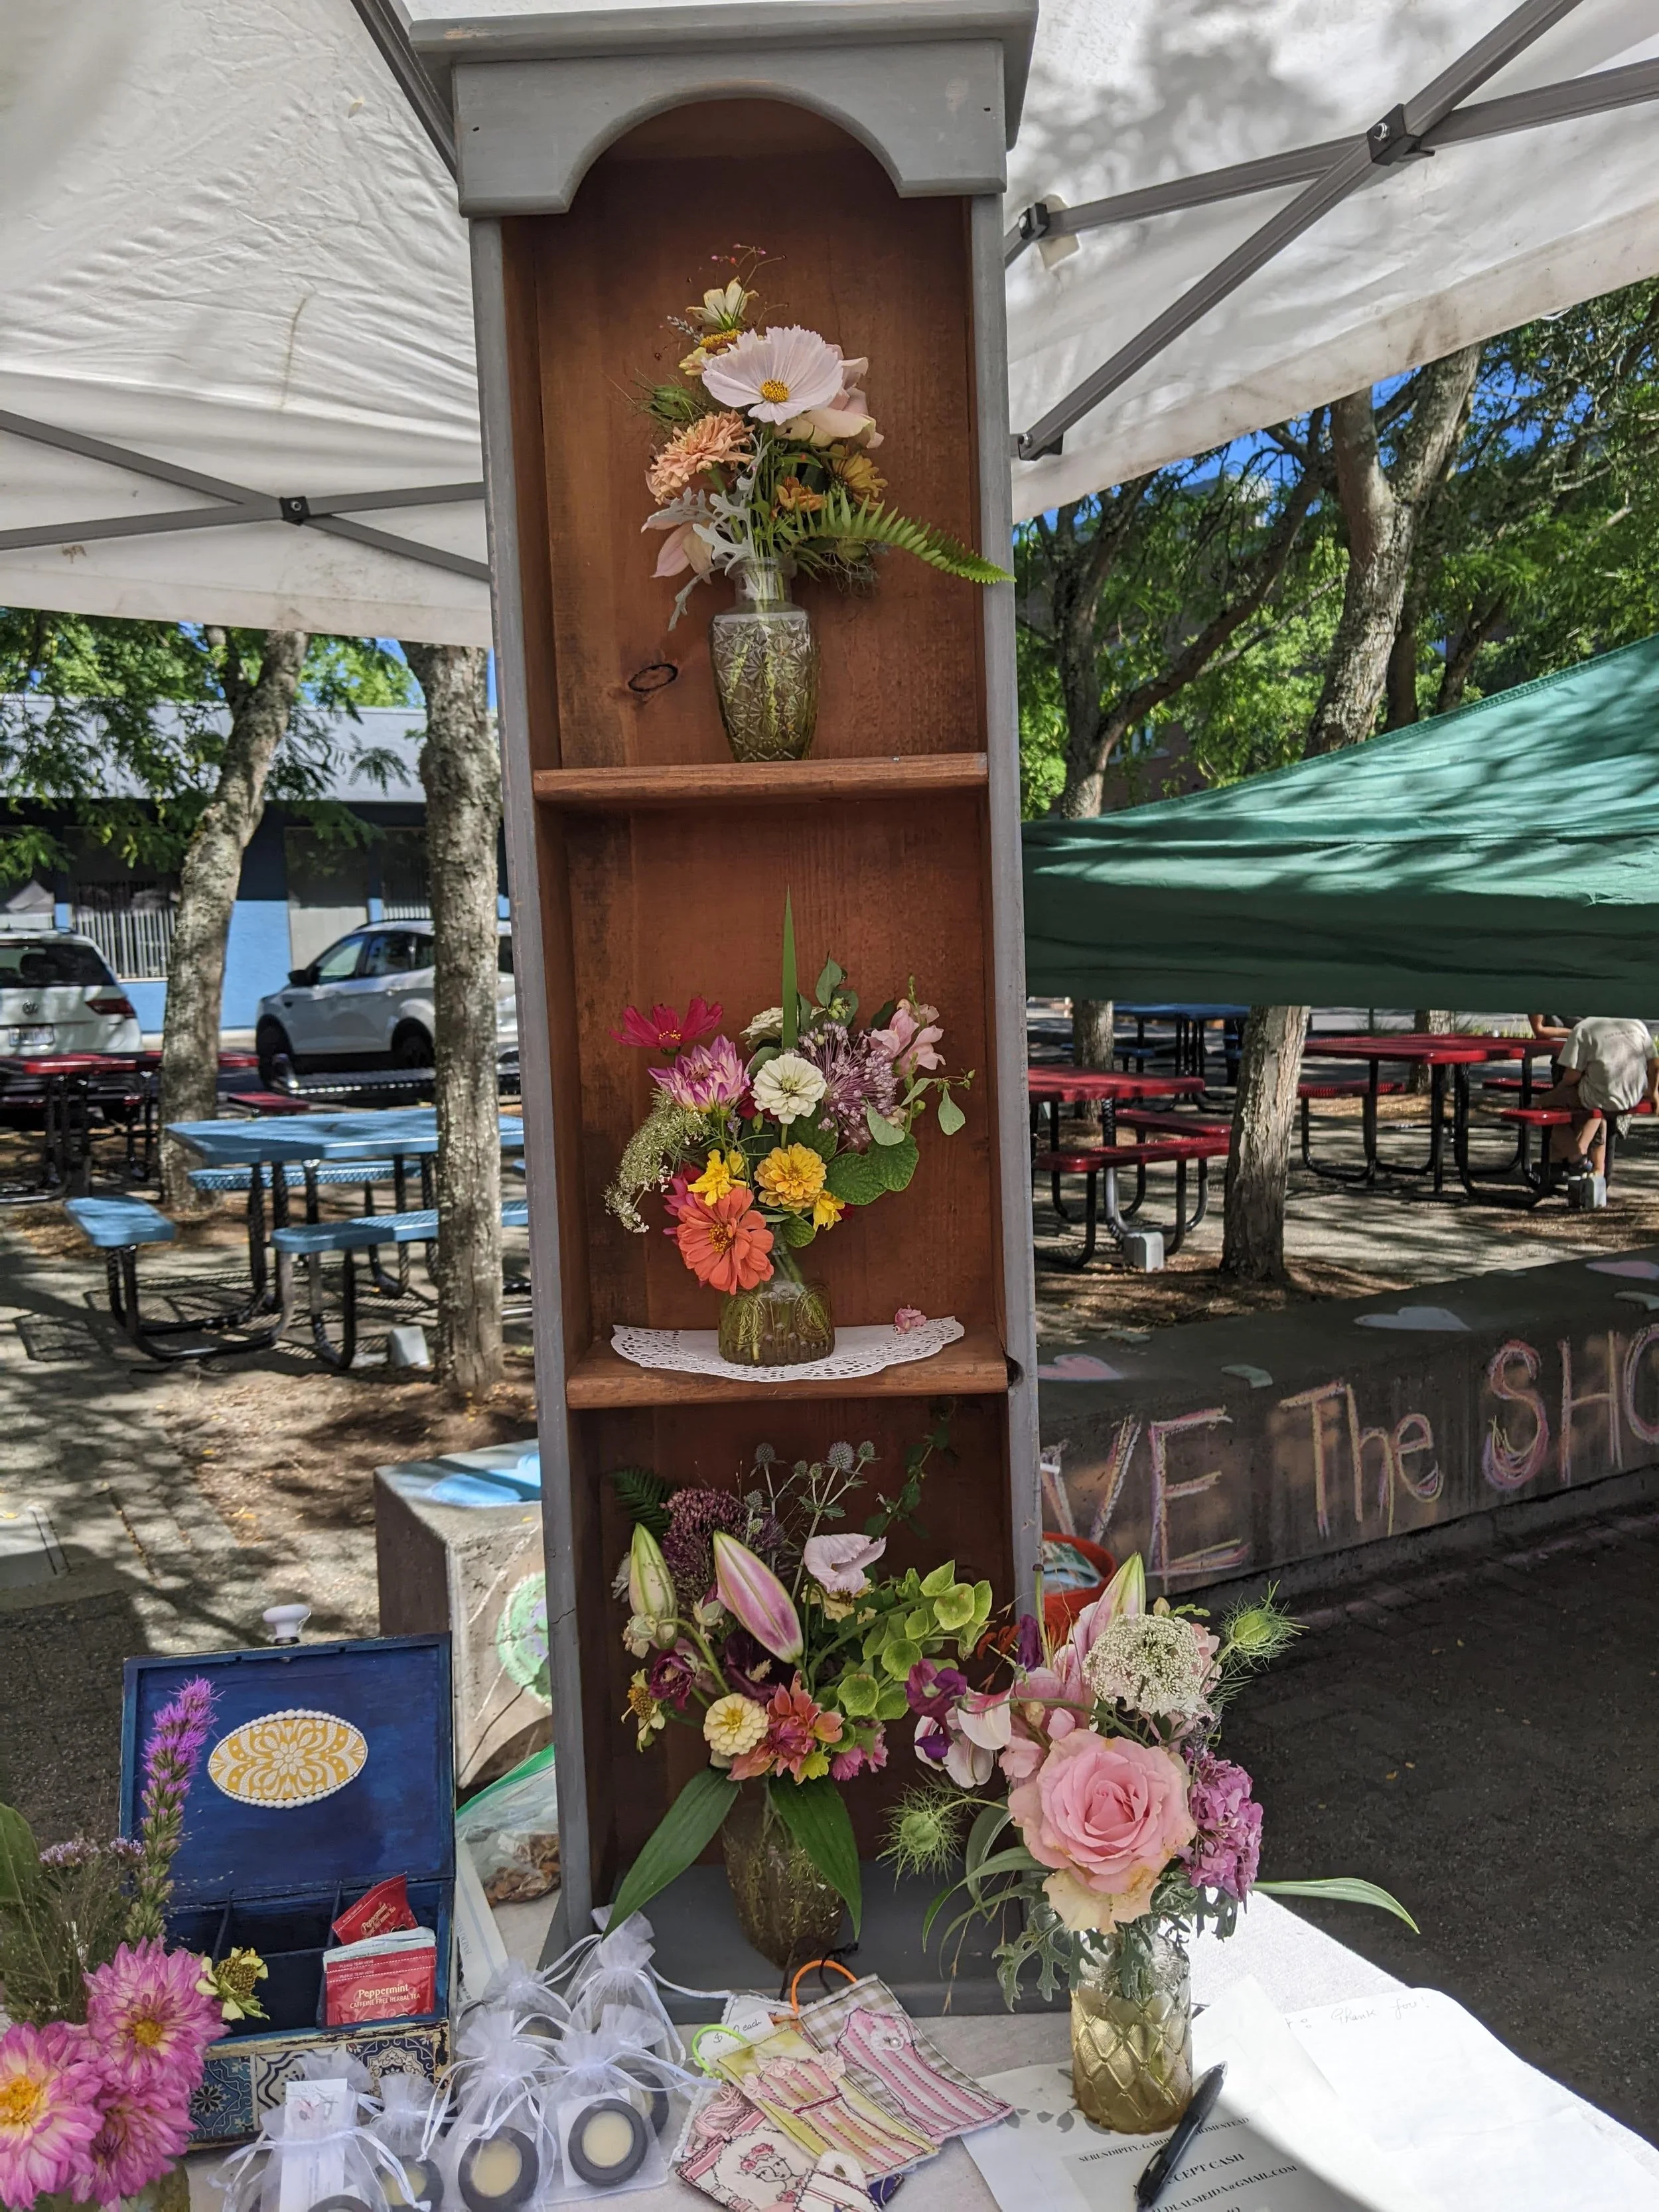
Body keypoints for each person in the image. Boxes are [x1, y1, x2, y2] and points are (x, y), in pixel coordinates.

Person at [1538, 1016, 1659, 1173]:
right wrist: (1654, 1091)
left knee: (1547, 1104)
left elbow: (1571, 1077)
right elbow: (1655, 1065)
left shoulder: (1584, 1029)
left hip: (1601, 1096)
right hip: (1633, 1095)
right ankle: (1598, 1171)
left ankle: (1575, 1158)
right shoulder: (1636, 1024)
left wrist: (1558, 1091)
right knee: (1596, 1114)